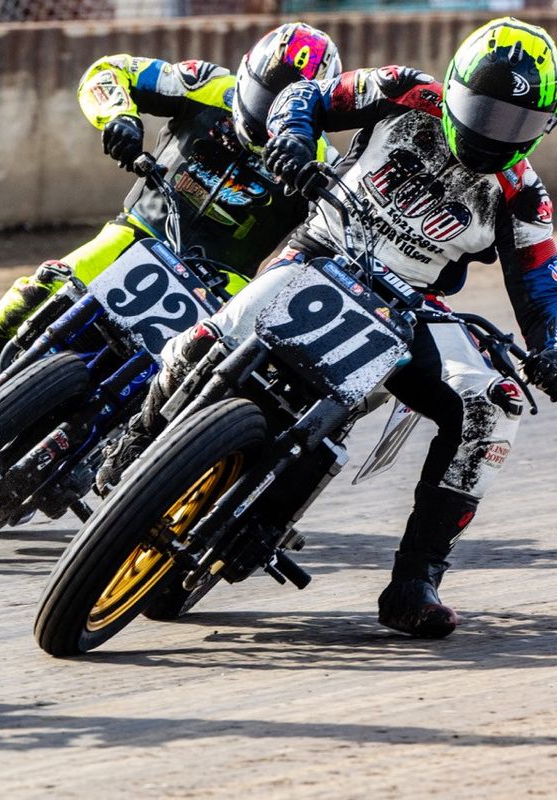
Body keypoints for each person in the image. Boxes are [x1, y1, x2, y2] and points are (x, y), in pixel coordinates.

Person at [126, 17, 557, 638]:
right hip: (320, 253)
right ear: (454, 86)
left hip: (409, 310)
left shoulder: (524, 197)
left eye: (514, 122)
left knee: (496, 404)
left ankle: (416, 580)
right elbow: (307, 95)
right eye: (482, 110)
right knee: (206, 338)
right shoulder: (403, 90)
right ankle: (137, 437)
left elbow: (542, 288)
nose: (492, 131)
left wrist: (549, 349)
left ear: (543, 126)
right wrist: (293, 140)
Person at [0, 22, 343, 430]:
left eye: (286, 104)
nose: (266, 114)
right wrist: (119, 116)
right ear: (246, 72)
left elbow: (342, 230)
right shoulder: (208, 85)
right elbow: (109, 72)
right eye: (265, 95)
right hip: (139, 233)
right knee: (44, 285)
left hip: (223, 283)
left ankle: (134, 451)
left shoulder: (324, 162)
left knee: (195, 378)